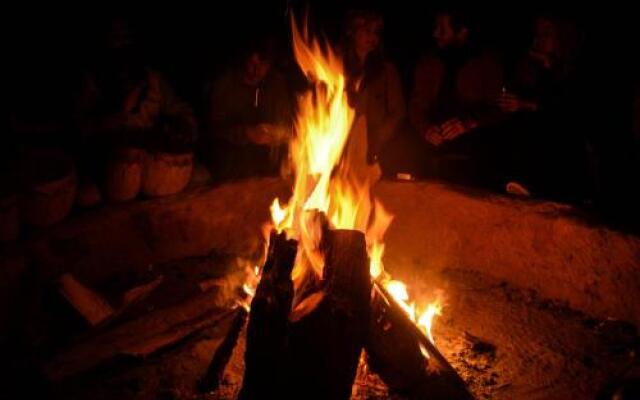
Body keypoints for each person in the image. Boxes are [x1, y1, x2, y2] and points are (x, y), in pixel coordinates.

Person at [75, 18, 197, 181]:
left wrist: (184, 125)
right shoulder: (94, 81)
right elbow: (79, 127)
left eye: (125, 39)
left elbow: (180, 109)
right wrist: (116, 116)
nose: (121, 45)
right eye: (115, 40)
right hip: (109, 165)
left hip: (150, 163)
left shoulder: (152, 80)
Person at [497, 15, 590, 201]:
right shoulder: (533, 68)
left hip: (566, 153)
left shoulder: (579, 73)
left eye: (546, 34)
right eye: (537, 34)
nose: (538, 39)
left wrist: (526, 104)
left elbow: (566, 110)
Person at [409, 7, 504, 184]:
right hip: (433, 151)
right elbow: (416, 105)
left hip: (474, 155)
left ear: (462, 32)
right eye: (435, 27)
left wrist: (468, 123)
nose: (435, 33)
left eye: (442, 28)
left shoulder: (486, 64)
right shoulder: (429, 62)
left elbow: (498, 110)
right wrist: (426, 129)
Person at [205, 37, 294, 180]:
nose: (255, 70)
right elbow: (213, 129)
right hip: (232, 166)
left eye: (262, 64)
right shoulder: (225, 84)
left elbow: (288, 122)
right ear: (244, 59)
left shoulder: (276, 84)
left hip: (268, 166)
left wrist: (278, 133)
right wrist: (246, 133)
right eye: (252, 63)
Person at [341, 10, 407, 176]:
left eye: (376, 32)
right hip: (342, 150)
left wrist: (376, 140)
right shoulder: (336, 68)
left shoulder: (387, 72)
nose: (373, 38)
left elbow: (397, 113)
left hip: (377, 152)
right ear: (352, 32)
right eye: (367, 31)